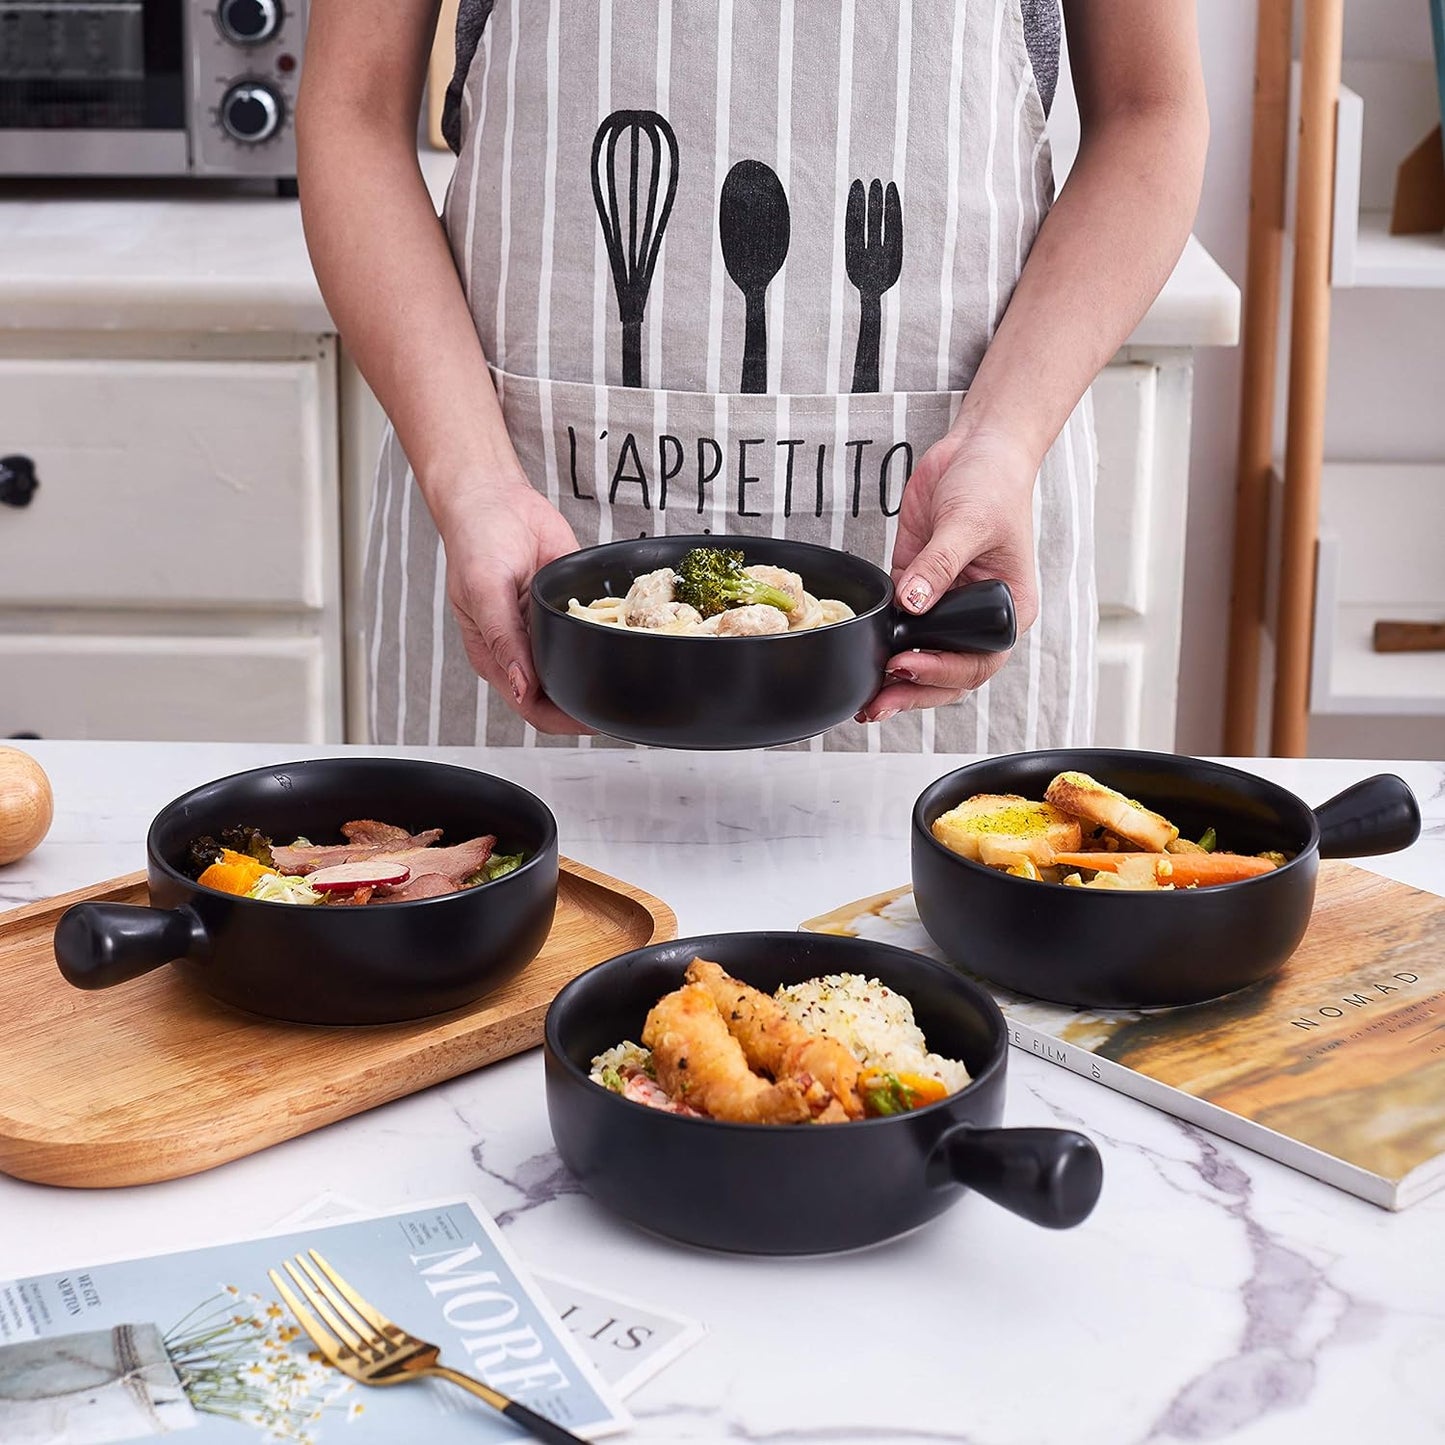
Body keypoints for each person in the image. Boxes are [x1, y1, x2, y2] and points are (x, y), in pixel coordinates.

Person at [298, 1, 1206, 751]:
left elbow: (1149, 111)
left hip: (945, 541)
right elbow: (353, 110)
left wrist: (1003, 440)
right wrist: (474, 483)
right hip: (518, 528)